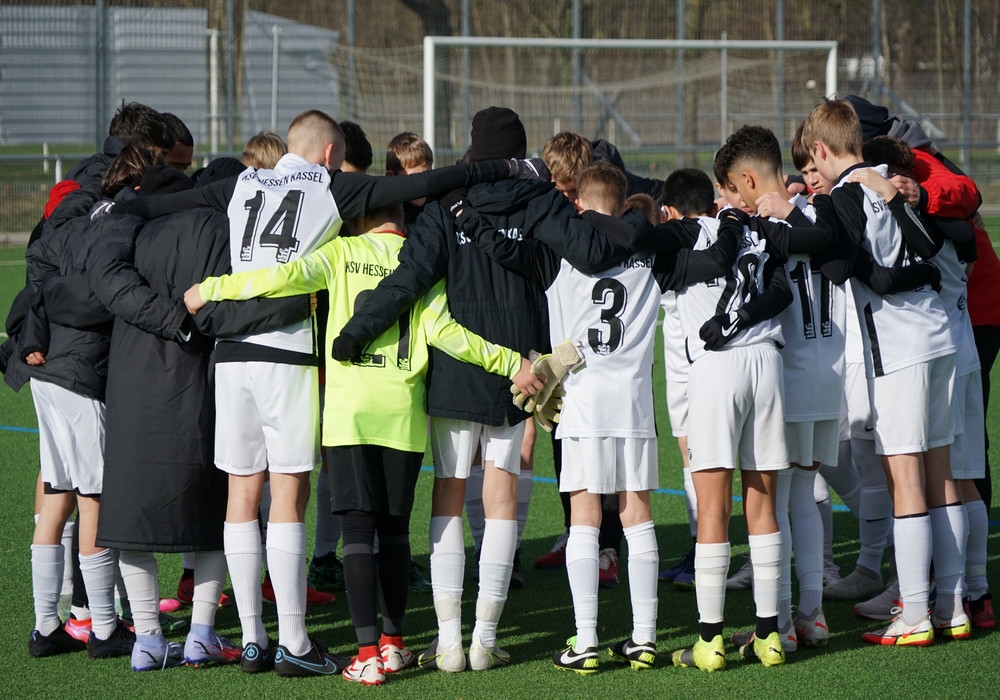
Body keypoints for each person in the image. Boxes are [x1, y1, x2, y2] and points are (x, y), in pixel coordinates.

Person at [118, 107, 539, 676]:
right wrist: (501, 170)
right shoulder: (345, 200)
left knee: (248, 496)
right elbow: (426, 195)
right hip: (319, 369)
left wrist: (129, 213)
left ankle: (260, 639)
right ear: (328, 154)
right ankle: (329, 640)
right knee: (323, 506)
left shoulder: (247, 187)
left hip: (245, 357)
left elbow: (187, 209)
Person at [184, 200, 544, 686]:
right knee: (395, 531)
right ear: (403, 220)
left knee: (357, 531)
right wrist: (510, 362)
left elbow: (279, 277)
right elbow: (446, 332)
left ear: (356, 219)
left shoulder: (341, 253)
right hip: (403, 414)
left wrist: (209, 289)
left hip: (349, 413)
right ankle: (393, 645)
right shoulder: (422, 259)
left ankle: (366, 654)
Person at [332, 107, 634, 672]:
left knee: (449, 492)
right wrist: (646, 228)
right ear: (520, 151)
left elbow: (407, 279)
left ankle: (449, 641)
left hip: (455, 369)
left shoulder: (445, 203)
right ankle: (484, 639)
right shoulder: (539, 198)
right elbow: (592, 252)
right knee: (500, 498)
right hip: (519, 370)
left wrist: (356, 331)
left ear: (473, 150)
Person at [449, 161, 743, 674]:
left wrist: (464, 215)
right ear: (624, 205)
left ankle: (585, 642)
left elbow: (501, 249)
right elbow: (711, 265)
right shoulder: (651, 254)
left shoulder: (558, 252)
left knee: (584, 517)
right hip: (634, 404)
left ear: (578, 205)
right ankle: (644, 639)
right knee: (637, 515)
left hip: (582, 403)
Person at [801, 99, 963, 646]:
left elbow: (842, 267)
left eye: (813, 163)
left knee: (907, 481)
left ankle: (914, 612)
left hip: (899, 350)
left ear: (821, 149)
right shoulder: (888, 180)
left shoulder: (843, 195)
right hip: (938, 337)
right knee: (941, 475)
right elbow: (931, 246)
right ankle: (952, 606)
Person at [3, 145, 166, 662]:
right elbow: (100, 294)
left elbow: (40, 276)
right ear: (138, 186)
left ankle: (45, 626)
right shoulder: (121, 224)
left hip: (46, 371)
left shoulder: (75, 220)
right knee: (95, 499)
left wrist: (38, 325)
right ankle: (102, 628)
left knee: (58, 495)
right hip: (77, 374)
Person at [722, 124, 847, 650]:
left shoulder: (763, 225)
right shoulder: (820, 213)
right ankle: (812, 615)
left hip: (788, 375)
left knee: (775, 500)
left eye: (734, 188)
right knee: (806, 493)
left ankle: (778, 626)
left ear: (750, 180)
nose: (733, 199)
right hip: (830, 373)